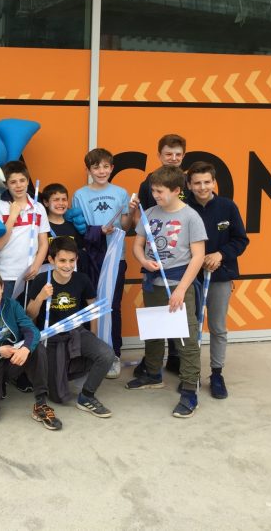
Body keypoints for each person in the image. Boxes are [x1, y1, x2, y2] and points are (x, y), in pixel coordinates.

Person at [125, 166, 207, 419]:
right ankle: (152, 374)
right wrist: (144, 261)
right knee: (154, 332)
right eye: (153, 190)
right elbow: (138, 245)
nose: (155, 194)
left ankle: (190, 389)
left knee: (186, 339)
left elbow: (198, 256)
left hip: (178, 285)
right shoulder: (149, 213)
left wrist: (181, 289)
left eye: (159, 191)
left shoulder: (191, 217)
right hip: (153, 283)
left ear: (176, 191)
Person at [0, 267, 62, 430]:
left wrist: (25, 348)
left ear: (2, 288)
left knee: (37, 349)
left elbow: (32, 331)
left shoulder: (12, 305)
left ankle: (41, 403)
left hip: (12, 359)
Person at [26, 237, 115, 417]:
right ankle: (62, 373)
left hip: (76, 332)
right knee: (58, 397)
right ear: (51, 260)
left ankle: (87, 395)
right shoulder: (42, 280)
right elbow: (30, 315)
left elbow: (93, 308)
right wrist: (41, 296)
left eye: (72, 261)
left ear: (76, 260)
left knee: (106, 354)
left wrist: (93, 336)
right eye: (62, 260)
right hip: (51, 338)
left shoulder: (82, 279)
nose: (67, 265)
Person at [186, 161, 249, 399]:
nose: (202, 187)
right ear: (189, 186)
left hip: (220, 276)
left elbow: (241, 240)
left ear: (213, 182)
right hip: (190, 277)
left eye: (207, 182)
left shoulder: (227, 207)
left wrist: (221, 255)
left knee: (218, 327)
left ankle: (216, 374)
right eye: (197, 183)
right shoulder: (184, 209)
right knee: (190, 328)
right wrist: (197, 258)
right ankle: (190, 374)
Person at [72, 148, 134, 379]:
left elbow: (126, 227)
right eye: (96, 167)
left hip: (116, 257)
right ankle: (91, 354)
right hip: (91, 258)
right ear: (88, 170)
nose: (101, 171)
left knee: (113, 306)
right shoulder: (80, 194)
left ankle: (114, 354)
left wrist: (131, 215)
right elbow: (80, 230)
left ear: (112, 168)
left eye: (106, 166)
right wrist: (99, 231)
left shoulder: (121, 193)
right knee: (90, 306)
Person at [133, 134, 188, 376]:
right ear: (159, 155)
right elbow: (143, 219)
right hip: (157, 257)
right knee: (156, 310)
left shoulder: (189, 181)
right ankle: (152, 360)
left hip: (183, 257)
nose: (173, 158)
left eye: (178, 154)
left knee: (180, 309)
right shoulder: (149, 183)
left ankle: (177, 355)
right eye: (168, 154)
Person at [0, 160, 49, 300]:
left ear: (28, 181)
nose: (18, 185)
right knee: (6, 318)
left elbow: (43, 243)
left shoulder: (39, 208)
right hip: (7, 275)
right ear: (6, 185)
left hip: (31, 273)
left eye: (22, 180)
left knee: (29, 317)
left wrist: (36, 266)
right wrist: (12, 217)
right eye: (13, 182)